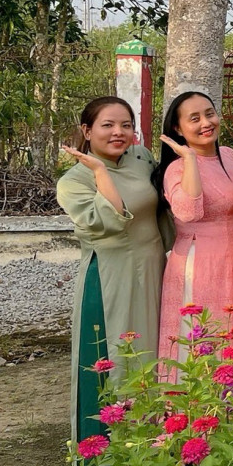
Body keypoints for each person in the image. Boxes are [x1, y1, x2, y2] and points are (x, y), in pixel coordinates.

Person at [56, 97, 166, 440]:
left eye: (126, 125)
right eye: (107, 125)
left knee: (157, 352)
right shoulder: (74, 181)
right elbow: (110, 222)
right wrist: (101, 172)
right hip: (110, 276)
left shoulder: (141, 158)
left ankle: (159, 445)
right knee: (117, 357)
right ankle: (109, 454)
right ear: (87, 131)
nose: (118, 132)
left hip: (155, 268)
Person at [154, 91, 233, 362]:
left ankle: (228, 389)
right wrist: (190, 159)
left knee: (229, 330)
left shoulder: (229, 156)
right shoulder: (176, 169)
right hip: (196, 263)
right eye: (194, 119)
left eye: (209, 114)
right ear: (177, 128)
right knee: (199, 335)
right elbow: (188, 212)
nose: (206, 123)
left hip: (231, 260)